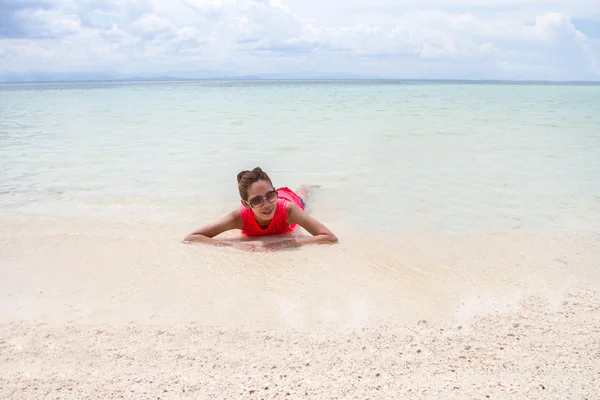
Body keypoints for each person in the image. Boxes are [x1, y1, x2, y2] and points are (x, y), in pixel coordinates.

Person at [183, 167, 338, 251]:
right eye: (257, 200)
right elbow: (192, 237)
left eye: (270, 195)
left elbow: (329, 237)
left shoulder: (289, 210)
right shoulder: (239, 217)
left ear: (274, 192)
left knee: (302, 199)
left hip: (290, 199)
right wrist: (233, 245)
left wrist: (290, 243)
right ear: (245, 204)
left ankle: (304, 188)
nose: (266, 204)